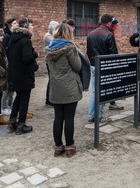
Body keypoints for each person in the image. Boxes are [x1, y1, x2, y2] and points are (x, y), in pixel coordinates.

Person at [45, 23, 83, 157]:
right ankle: (69, 146)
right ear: (68, 34)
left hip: (56, 87)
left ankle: (58, 147)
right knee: (69, 117)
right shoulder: (70, 48)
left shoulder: (49, 49)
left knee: (58, 117)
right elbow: (77, 67)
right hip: (69, 87)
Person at [87, 14, 123, 123]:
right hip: (105, 66)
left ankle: (92, 115)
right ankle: (99, 116)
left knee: (94, 91)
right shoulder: (109, 34)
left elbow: (88, 52)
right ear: (108, 23)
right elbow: (113, 54)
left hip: (93, 65)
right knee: (102, 91)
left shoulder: (90, 34)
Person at [7, 18, 38, 135]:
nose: (33, 27)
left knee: (18, 98)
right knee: (24, 100)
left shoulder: (13, 38)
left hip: (15, 73)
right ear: (26, 26)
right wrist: (35, 54)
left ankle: (12, 122)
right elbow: (26, 58)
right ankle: (21, 125)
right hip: (24, 74)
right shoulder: (25, 40)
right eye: (31, 25)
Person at [1, 17, 18, 116]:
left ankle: (10, 106)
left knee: (12, 88)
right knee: (7, 89)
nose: (17, 24)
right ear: (10, 25)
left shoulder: (13, 35)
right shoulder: (6, 36)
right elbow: (5, 51)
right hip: (8, 65)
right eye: (15, 23)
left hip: (13, 65)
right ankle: (4, 107)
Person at [43, 20, 59, 107]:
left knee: (53, 80)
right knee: (51, 80)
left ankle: (51, 99)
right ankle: (49, 101)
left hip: (52, 61)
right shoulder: (48, 36)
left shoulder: (51, 35)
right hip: (50, 61)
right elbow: (56, 45)